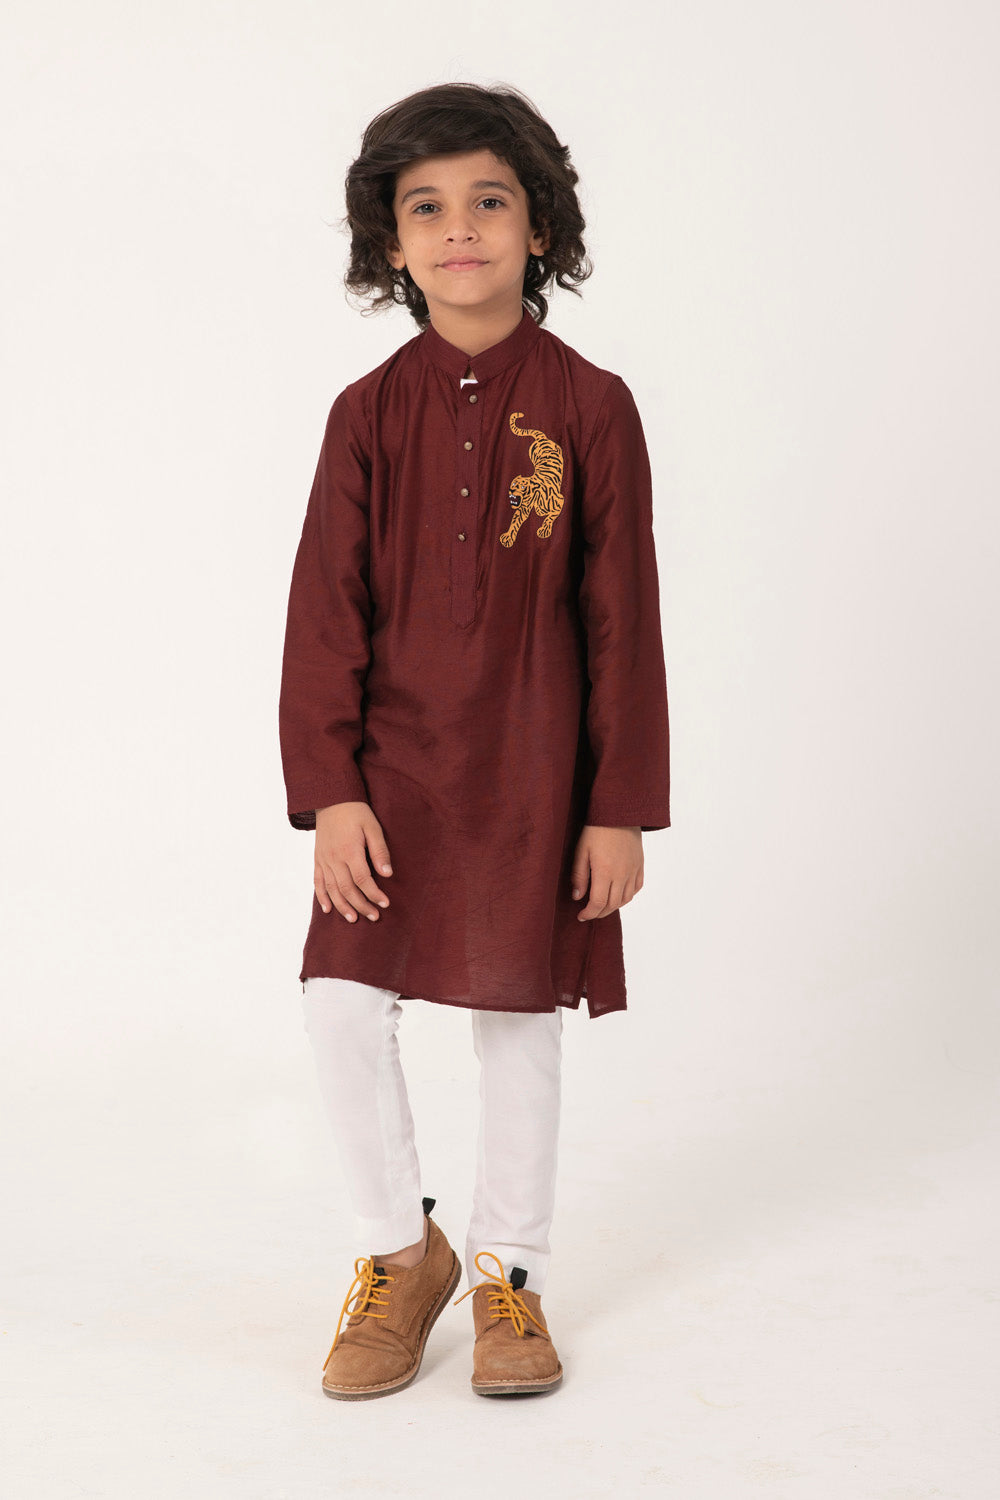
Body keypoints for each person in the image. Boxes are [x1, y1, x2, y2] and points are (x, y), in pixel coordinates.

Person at [278, 81, 670, 1401]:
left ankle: (510, 1275)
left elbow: (623, 621)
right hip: (390, 776)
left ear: (538, 228)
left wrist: (616, 804)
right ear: (390, 245)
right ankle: (402, 1254)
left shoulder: (592, 405)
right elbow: (323, 614)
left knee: (517, 1022)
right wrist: (331, 790)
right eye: (426, 208)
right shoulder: (364, 414)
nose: (459, 230)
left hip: (536, 771)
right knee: (339, 1003)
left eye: (489, 202)